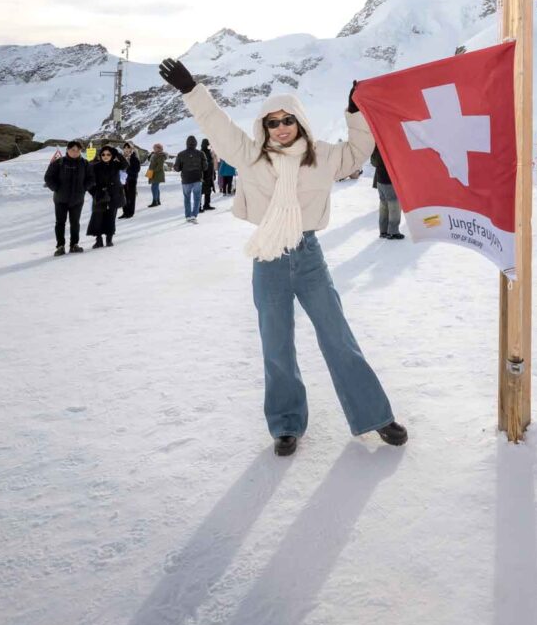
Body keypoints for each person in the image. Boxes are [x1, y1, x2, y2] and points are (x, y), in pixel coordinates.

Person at [159, 57, 408, 458]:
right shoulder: (249, 154)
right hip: (268, 256)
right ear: (264, 126)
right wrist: (192, 90)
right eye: (272, 122)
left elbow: (360, 150)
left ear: (300, 121)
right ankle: (286, 424)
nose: (280, 128)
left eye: (287, 119)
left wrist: (355, 112)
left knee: (338, 337)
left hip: (308, 255)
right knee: (276, 345)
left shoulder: (325, 156)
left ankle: (374, 416)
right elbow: (216, 124)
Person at [44, 141, 93, 255]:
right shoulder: (59, 162)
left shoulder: (85, 164)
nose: (75, 152)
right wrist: (56, 188)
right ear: (67, 150)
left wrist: (84, 188)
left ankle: (74, 245)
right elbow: (48, 177)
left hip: (77, 200)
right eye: (73, 150)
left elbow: (91, 179)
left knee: (75, 223)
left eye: (78, 150)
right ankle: (60, 246)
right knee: (60, 223)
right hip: (61, 199)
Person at [87, 144, 125, 248]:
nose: (106, 156)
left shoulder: (116, 164)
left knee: (111, 217)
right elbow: (89, 181)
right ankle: (98, 240)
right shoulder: (95, 166)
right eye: (103, 154)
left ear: (112, 155)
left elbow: (125, 165)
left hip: (114, 195)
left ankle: (109, 239)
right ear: (100, 155)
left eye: (108, 154)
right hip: (100, 195)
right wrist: (94, 192)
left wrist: (118, 154)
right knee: (97, 217)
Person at [371, 144, 404, 240]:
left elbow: (373, 162)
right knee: (394, 204)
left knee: (384, 204)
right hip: (389, 179)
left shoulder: (376, 144)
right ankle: (393, 232)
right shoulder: (388, 143)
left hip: (380, 179)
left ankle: (383, 231)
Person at [174, 135, 206, 222]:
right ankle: (194, 215)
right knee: (197, 198)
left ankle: (188, 215)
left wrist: (181, 166)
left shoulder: (181, 154)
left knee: (187, 198)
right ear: (196, 143)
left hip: (186, 179)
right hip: (197, 178)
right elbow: (205, 167)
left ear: (187, 143)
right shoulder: (201, 153)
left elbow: (177, 168)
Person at [120, 143, 141, 218]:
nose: (126, 149)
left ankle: (130, 212)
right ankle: (125, 212)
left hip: (131, 180)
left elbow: (137, 169)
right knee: (124, 196)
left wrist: (126, 170)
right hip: (123, 180)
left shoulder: (134, 157)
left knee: (131, 197)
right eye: (125, 147)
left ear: (131, 149)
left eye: (128, 147)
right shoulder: (121, 157)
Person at [200, 137, 217, 211]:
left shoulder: (209, 152)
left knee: (208, 191)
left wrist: (214, 174)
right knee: (201, 191)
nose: (208, 146)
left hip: (209, 175)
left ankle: (206, 204)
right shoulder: (201, 153)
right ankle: (199, 206)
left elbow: (211, 164)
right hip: (203, 175)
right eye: (207, 144)